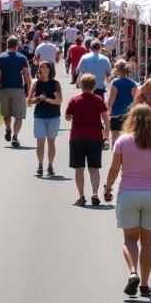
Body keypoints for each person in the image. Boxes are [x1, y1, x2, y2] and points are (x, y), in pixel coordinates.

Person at [103, 104, 151, 299]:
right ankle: (144, 284)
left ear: (131, 119)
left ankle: (132, 272)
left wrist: (107, 187)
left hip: (128, 193)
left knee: (129, 239)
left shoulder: (123, 141)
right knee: (148, 243)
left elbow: (114, 169)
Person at [65, 73, 111, 207]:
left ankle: (81, 196)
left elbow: (67, 117)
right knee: (94, 168)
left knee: (79, 168)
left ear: (81, 85)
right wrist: (106, 135)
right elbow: (106, 118)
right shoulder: (98, 100)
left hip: (77, 137)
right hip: (95, 137)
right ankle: (95, 193)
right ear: (94, 86)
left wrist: (74, 117)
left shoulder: (74, 100)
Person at [0, 35, 32, 148]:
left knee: (6, 113)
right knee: (19, 116)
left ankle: (8, 128)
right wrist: (29, 87)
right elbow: (26, 74)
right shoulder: (22, 58)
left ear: (7, 45)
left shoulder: (1, 57)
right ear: (17, 45)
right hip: (18, 89)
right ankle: (15, 136)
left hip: (4, 89)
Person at [28, 59, 62, 177]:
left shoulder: (55, 84)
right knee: (40, 142)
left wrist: (46, 99)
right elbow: (29, 101)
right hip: (40, 116)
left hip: (53, 116)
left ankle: (50, 165)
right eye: (40, 67)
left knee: (51, 142)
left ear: (49, 70)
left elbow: (59, 101)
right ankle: (40, 165)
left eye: (44, 67)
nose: (41, 69)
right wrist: (38, 99)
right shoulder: (36, 83)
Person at [106, 59, 138, 142]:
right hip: (128, 113)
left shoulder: (115, 83)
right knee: (128, 137)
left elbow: (111, 100)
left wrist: (107, 112)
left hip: (116, 113)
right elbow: (134, 100)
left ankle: (116, 153)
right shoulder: (133, 83)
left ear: (117, 70)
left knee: (115, 138)